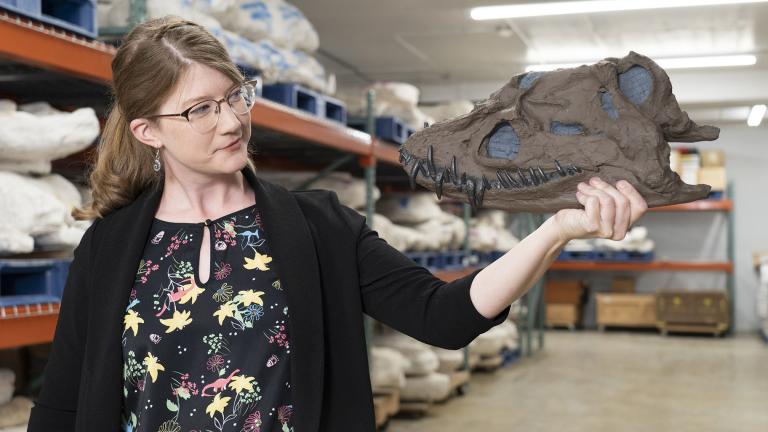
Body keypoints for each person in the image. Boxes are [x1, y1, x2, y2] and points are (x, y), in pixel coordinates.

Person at [27, 16, 647, 432]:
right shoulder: (110, 246)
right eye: (200, 109)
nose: (230, 121)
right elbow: (61, 399)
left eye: (234, 96)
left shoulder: (316, 226)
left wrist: (556, 229)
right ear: (148, 130)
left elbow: (445, 316)